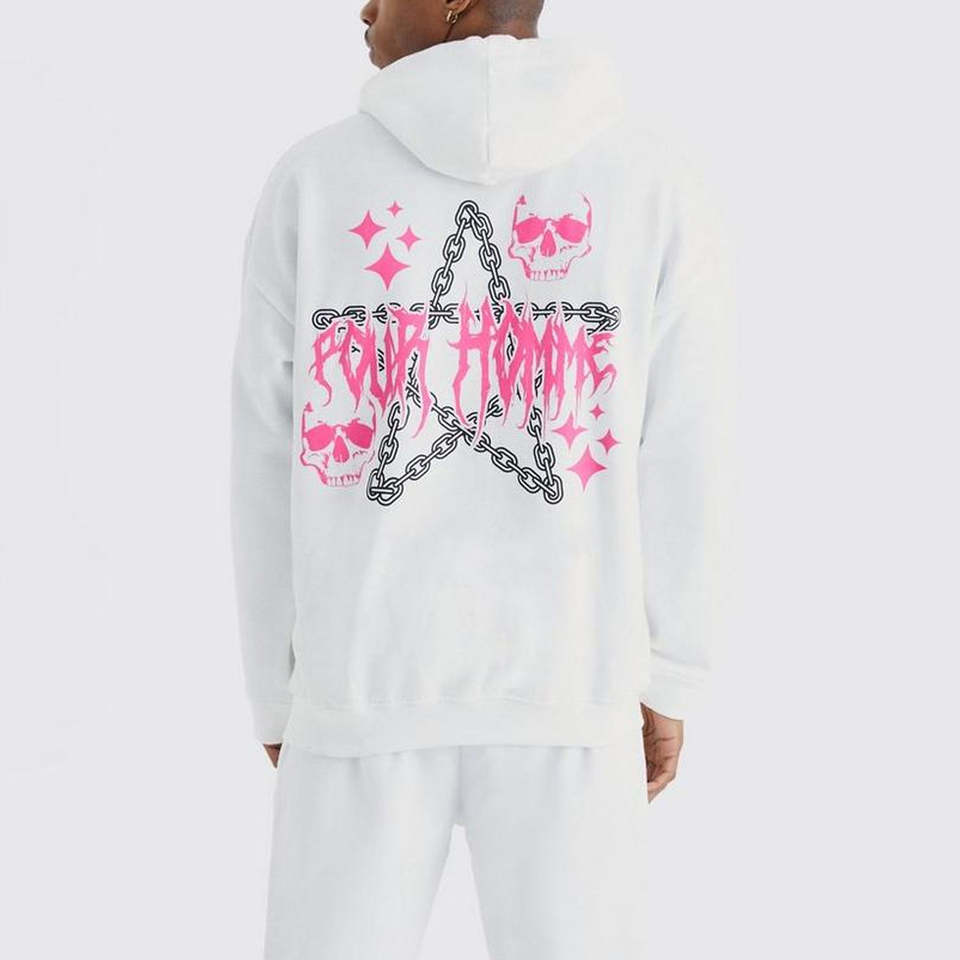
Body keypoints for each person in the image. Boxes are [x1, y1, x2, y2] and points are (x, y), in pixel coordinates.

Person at [230, 1, 732, 957]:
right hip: (572, 687)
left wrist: (276, 688)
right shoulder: (649, 181)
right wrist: (672, 669)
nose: (365, 8)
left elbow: (262, 452)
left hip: (360, 684)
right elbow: (687, 442)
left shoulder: (316, 182)